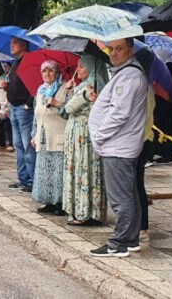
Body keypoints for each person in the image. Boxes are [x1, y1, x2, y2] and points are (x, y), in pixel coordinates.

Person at [88, 38, 149, 257]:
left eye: (119, 49)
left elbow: (119, 114)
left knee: (121, 199)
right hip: (119, 145)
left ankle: (119, 242)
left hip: (117, 146)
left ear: (131, 50)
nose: (113, 53)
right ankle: (130, 239)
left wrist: (99, 135)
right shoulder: (125, 73)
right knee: (128, 195)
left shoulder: (130, 76)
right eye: (111, 49)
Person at [62, 54, 109, 226]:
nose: (77, 69)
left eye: (82, 66)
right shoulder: (86, 87)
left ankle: (83, 212)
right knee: (87, 169)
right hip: (83, 133)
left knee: (83, 168)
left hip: (82, 134)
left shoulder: (87, 88)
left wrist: (76, 93)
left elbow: (67, 108)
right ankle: (91, 211)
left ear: (91, 68)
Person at [31, 60, 70, 215]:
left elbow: (70, 111)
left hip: (58, 134)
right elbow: (36, 114)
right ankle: (48, 201)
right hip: (43, 136)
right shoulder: (41, 90)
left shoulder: (65, 88)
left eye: (50, 71)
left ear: (57, 72)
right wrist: (34, 134)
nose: (47, 74)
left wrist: (57, 103)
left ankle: (60, 203)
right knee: (44, 171)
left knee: (58, 171)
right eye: (44, 71)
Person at [0, 37, 36, 193]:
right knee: (18, 145)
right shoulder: (15, 61)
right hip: (14, 107)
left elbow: (34, 85)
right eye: (11, 43)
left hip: (24, 108)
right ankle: (23, 178)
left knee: (27, 145)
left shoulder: (29, 60)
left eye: (14, 43)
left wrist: (28, 103)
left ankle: (32, 180)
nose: (11, 45)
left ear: (24, 44)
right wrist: (7, 87)